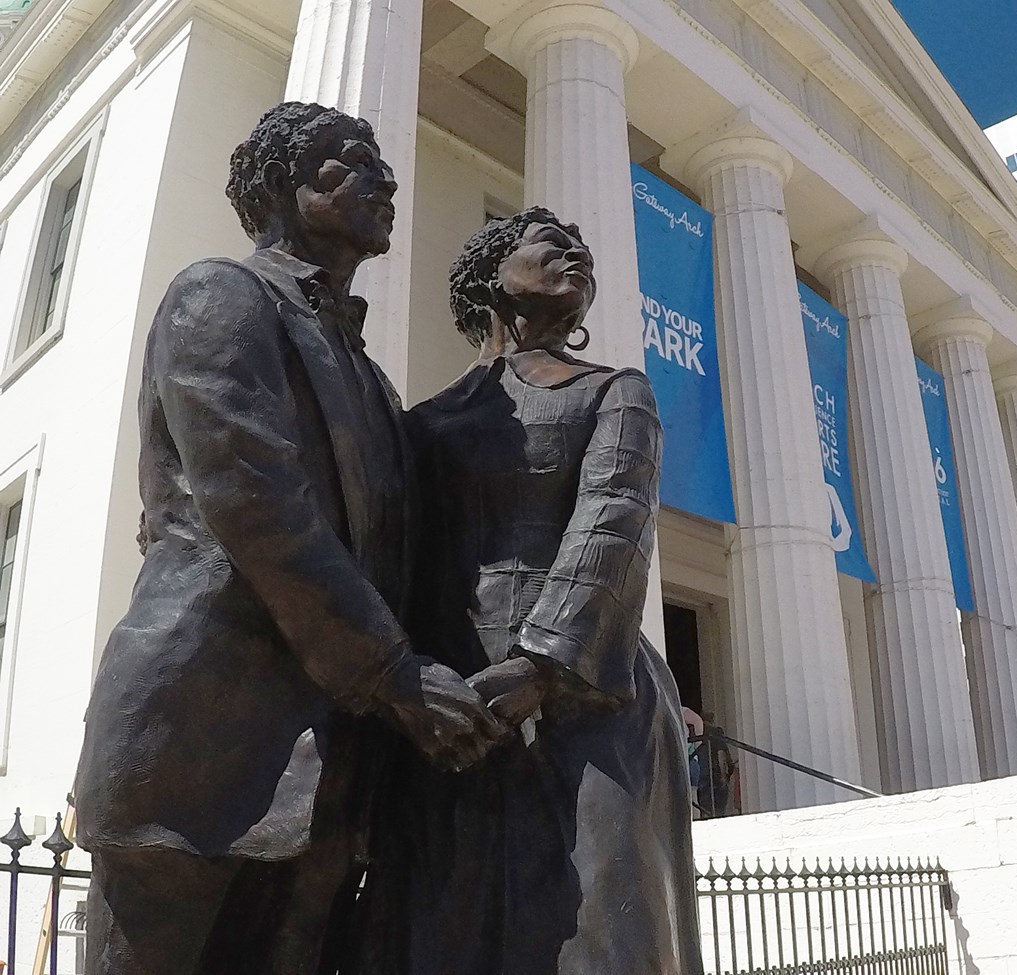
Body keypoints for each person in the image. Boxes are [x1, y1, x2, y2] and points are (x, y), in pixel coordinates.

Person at [72, 102, 505, 975]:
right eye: (353, 162)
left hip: (331, 772)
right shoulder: (217, 296)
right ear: (281, 183)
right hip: (197, 749)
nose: (386, 180)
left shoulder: (377, 385)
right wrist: (393, 673)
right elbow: (253, 502)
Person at [355, 207, 704, 975]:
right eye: (550, 244)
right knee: (443, 931)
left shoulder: (617, 393)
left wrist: (539, 668)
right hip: (452, 704)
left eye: (582, 250)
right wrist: (411, 687)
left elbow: (613, 525)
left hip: (591, 697)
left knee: (602, 937)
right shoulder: (422, 424)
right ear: (490, 274)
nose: (576, 254)